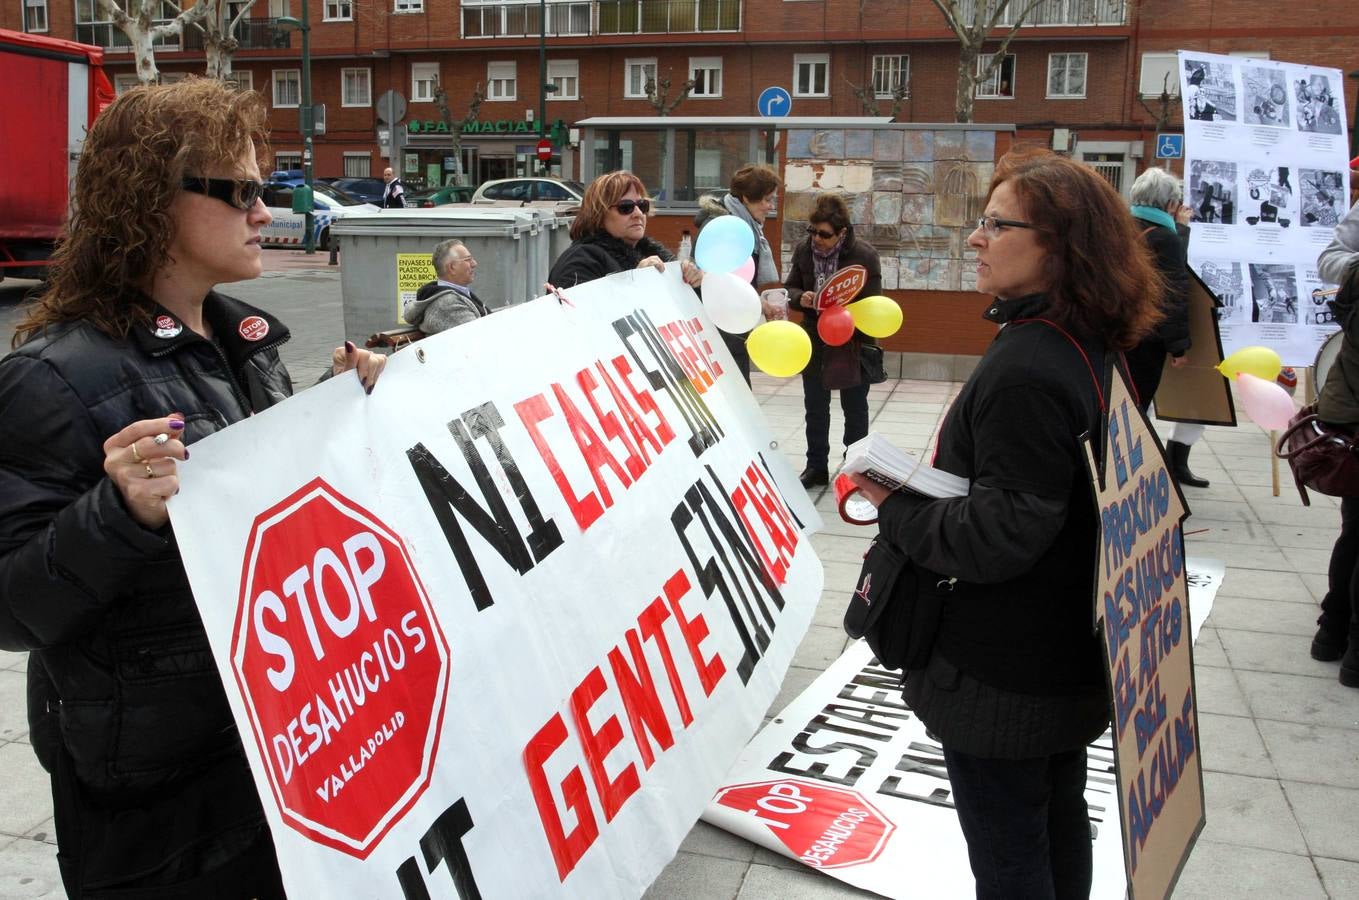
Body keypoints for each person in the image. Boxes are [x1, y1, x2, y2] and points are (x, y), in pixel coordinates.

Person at [0, 78, 387, 897]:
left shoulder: (246, 341)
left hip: (271, 752)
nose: (266, 212)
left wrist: (348, 402)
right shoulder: (48, 381)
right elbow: (11, 608)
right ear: (152, 202)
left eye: (265, 190)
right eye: (242, 191)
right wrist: (116, 513)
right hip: (153, 801)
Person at [848, 148, 1162, 899]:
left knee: (1011, 855)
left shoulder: (1027, 366)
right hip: (1067, 651)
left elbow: (999, 536)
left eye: (995, 223)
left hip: (1005, 673)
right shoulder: (1083, 339)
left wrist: (891, 503)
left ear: (1060, 243)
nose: (974, 239)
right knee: (1052, 822)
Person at [784, 192, 882, 488]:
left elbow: (875, 303)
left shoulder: (863, 255)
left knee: (855, 410)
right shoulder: (804, 250)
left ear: (842, 232)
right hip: (814, 339)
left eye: (824, 234)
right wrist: (804, 297)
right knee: (815, 408)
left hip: (852, 341)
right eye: (812, 231)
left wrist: (842, 306)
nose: (816, 239)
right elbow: (790, 289)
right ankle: (816, 467)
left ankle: (855, 473)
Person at [1126, 168, 1209, 487]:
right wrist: (1178, 345)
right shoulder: (1164, 236)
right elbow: (1173, 290)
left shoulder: (1122, 227)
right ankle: (1134, 472)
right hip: (1146, 336)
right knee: (1138, 401)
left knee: (1121, 399)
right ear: (1170, 203)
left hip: (1116, 329)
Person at [1312, 207, 1359, 684]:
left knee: (1355, 528)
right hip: (1352, 407)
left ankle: (1332, 632)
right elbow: (1334, 257)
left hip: (1349, 400)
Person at [693, 163, 784, 384]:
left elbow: (737, 281)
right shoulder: (726, 228)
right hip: (721, 330)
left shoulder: (744, 224)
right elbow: (719, 283)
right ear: (745, 198)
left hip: (733, 325)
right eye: (766, 199)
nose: (770, 206)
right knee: (734, 391)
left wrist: (758, 305)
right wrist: (757, 304)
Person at [546, 170, 702, 290]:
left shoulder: (651, 254)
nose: (638, 214)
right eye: (625, 207)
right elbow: (577, 321)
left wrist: (693, 282)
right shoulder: (579, 261)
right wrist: (635, 280)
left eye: (642, 206)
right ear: (599, 215)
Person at [404, 238, 488, 334]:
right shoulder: (447, 305)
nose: (474, 264)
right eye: (468, 260)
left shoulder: (453, 295)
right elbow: (480, 337)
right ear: (452, 267)